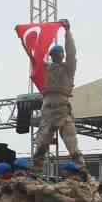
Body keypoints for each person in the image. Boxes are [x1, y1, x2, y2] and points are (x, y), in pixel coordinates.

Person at [29, 21, 85, 168]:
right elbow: (36, 56)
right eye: (53, 54)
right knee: (41, 144)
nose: (56, 56)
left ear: (62, 55)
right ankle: (35, 171)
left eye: (58, 53)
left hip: (62, 107)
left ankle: (82, 170)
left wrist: (67, 33)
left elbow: (71, 52)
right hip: (48, 108)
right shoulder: (46, 68)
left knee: (72, 144)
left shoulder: (68, 68)